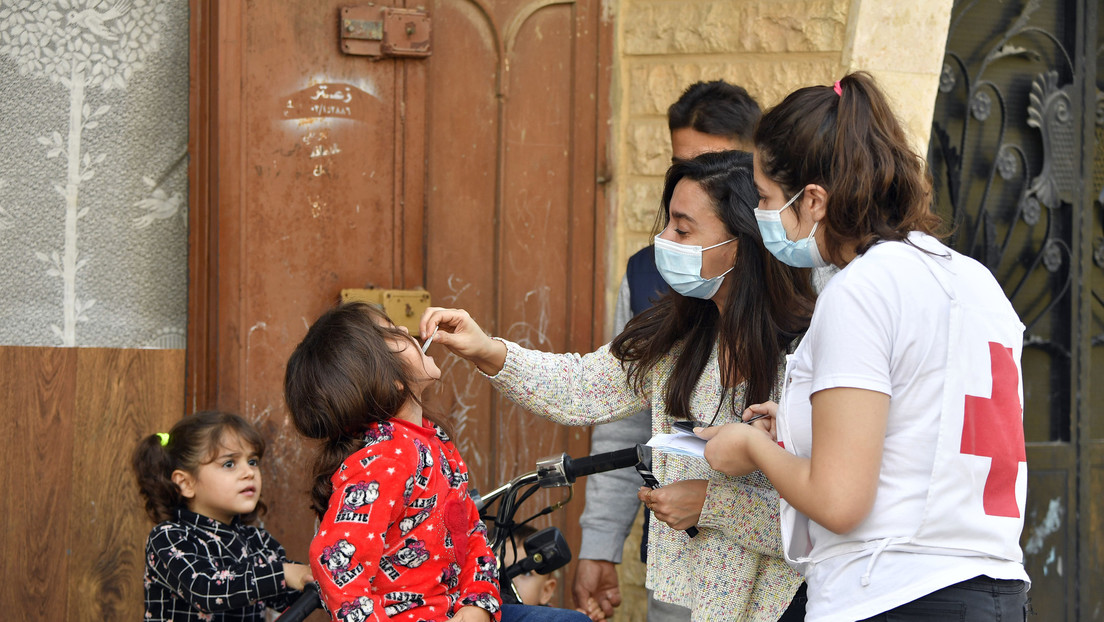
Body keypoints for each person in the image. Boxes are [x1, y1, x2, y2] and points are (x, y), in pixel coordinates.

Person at [420, 150, 817, 621]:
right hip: (698, 602)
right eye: (668, 224)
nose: (663, 240)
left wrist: (713, 504)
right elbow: (579, 387)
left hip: (790, 602)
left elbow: (830, 515)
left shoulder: (807, 352)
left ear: (742, 243)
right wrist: (486, 349)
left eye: (683, 229)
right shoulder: (682, 334)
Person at [697, 72, 1030, 621]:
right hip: (993, 587)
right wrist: (806, 422)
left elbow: (840, 502)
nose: (759, 215)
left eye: (765, 197)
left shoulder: (862, 289)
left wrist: (752, 448)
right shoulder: (974, 280)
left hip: (892, 590)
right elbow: (928, 422)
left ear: (814, 200)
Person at [578, 80, 762, 622]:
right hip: (677, 563)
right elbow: (622, 419)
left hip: (773, 577)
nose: (692, 183)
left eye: (713, 166)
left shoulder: (801, 288)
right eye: (682, 165)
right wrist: (598, 542)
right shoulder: (647, 273)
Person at [283, 302, 592, 622]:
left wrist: (478, 604)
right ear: (390, 381)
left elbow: (471, 534)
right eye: (391, 332)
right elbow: (336, 561)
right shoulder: (381, 462)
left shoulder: (435, 443)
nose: (405, 329)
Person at [131, 411, 314, 622]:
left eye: (253, 461)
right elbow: (205, 590)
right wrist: (283, 574)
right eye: (229, 464)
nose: (249, 472)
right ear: (186, 483)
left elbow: (286, 598)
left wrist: (314, 577)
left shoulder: (257, 542)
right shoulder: (169, 538)